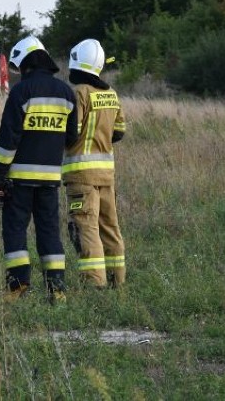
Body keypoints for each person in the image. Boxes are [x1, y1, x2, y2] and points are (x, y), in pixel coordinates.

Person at [0, 36, 78, 304]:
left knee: (15, 230)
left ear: (26, 63)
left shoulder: (21, 93)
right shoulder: (66, 93)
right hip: (50, 179)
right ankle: (57, 289)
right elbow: (71, 138)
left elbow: (8, 139)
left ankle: (18, 285)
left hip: (18, 179)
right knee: (50, 231)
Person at [62, 39, 127, 289]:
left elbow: (73, 131)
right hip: (106, 175)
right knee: (110, 228)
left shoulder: (80, 93)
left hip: (81, 177)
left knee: (86, 228)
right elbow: (119, 132)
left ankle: (95, 285)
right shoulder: (110, 94)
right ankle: (117, 282)